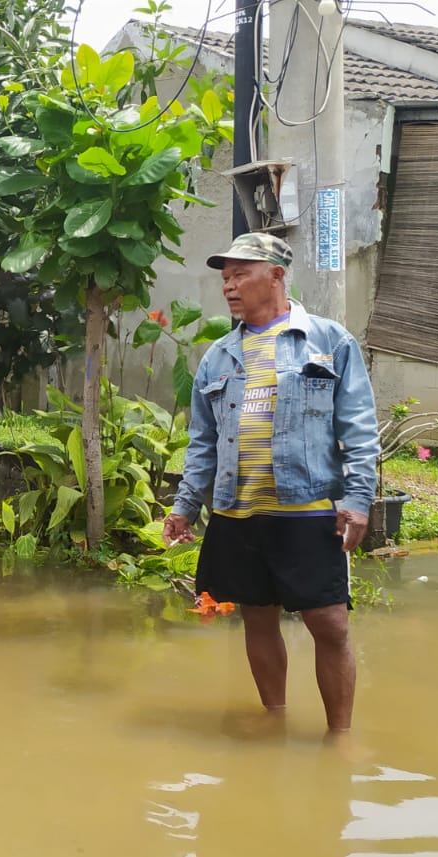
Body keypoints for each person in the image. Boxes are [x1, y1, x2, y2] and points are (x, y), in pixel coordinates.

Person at [162, 232, 379, 736]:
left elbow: (359, 429)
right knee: (257, 620)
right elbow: (203, 443)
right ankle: (274, 720)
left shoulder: (329, 342)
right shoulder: (217, 357)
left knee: (330, 624)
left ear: (276, 275)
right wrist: (185, 506)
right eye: (225, 278)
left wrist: (358, 500)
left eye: (241, 275)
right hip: (238, 512)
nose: (229, 287)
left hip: (307, 511)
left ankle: (340, 736)